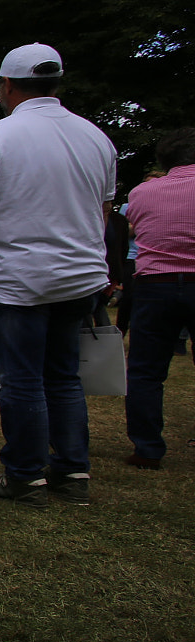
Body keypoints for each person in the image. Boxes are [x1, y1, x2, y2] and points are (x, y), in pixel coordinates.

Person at [0, 43, 115, 507]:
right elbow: (103, 211)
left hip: (20, 278)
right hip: (80, 276)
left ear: (8, 85)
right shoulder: (97, 138)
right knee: (63, 376)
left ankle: (24, 476)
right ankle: (72, 471)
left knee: (21, 379)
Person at [121, 128, 195, 469]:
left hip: (155, 282)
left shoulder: (141, 193)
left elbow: (134, 227)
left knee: (145, 370)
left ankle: (147, 447)